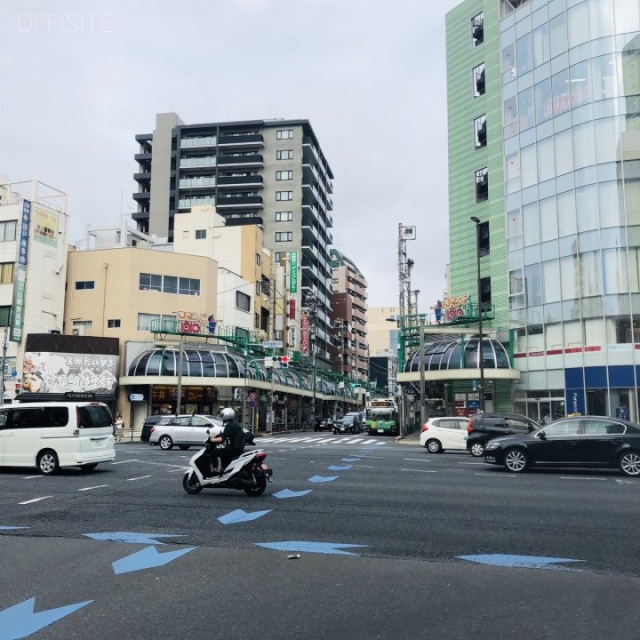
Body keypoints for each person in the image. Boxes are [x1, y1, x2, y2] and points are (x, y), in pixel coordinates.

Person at [209, 408, 246, 475]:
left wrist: (211, 440)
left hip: (234, 449)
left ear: (226, 416)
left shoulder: (229, 426)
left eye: (222, 415)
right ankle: (225, 469)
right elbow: (226, 435)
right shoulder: (236, 424)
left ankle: (215, 471)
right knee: (224, 452)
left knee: (214, 452)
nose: (222, 417)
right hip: (238, 448)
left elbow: (221, 439)